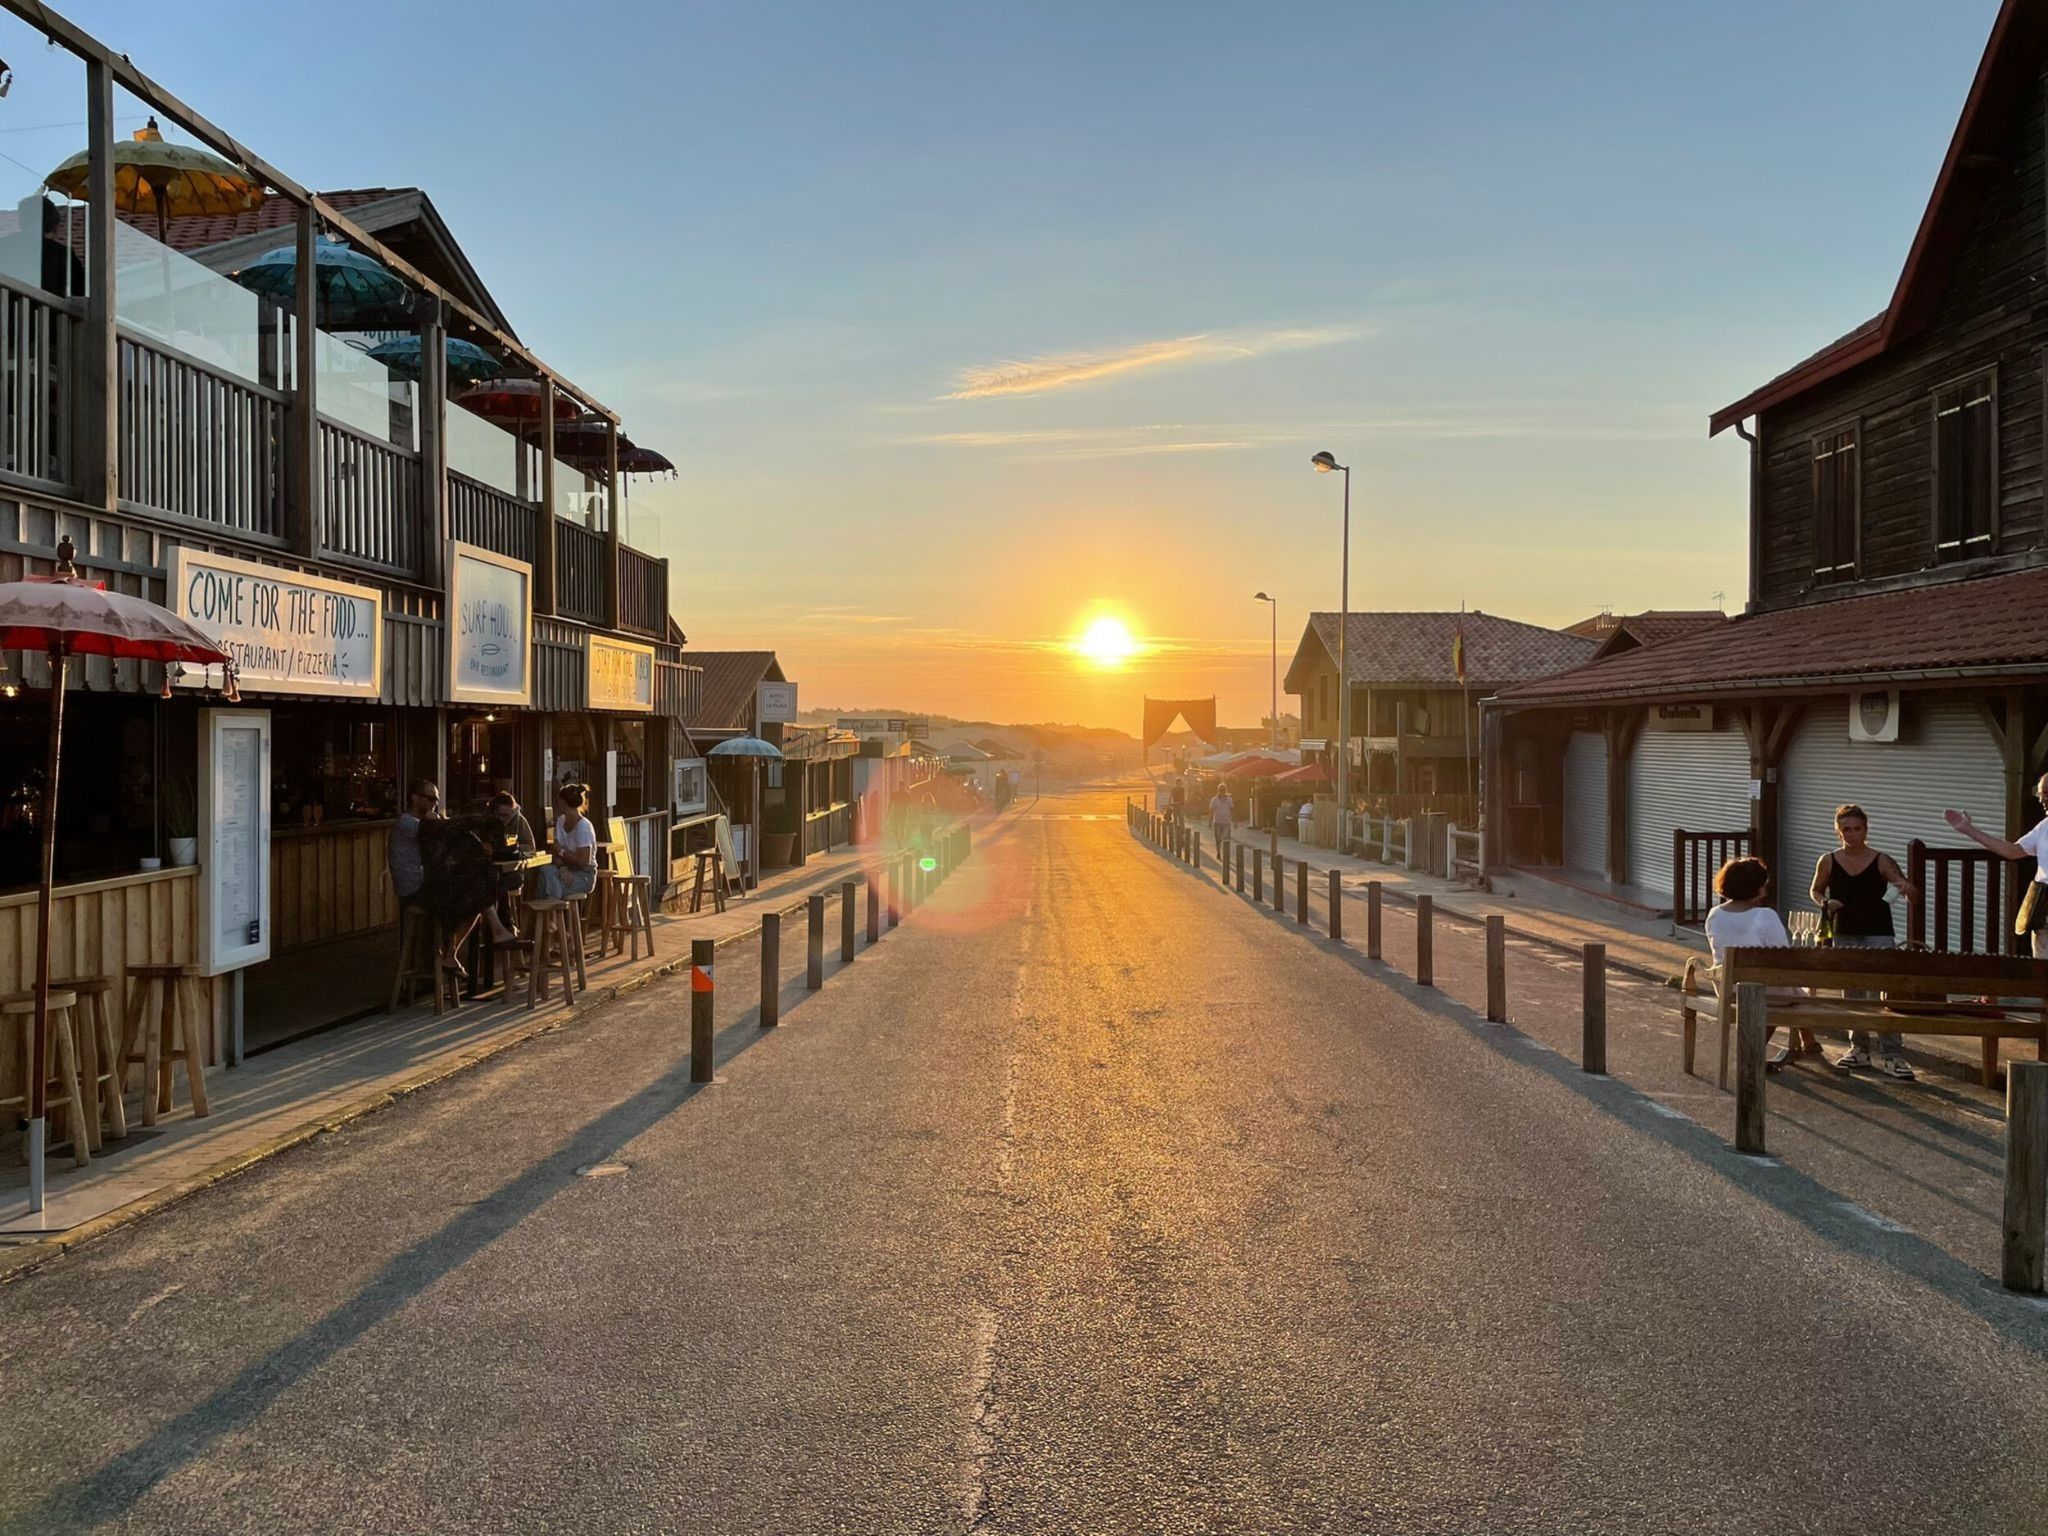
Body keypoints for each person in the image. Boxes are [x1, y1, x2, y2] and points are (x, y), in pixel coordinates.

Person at [1811, 803, 1919, 1079]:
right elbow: (1815, 890)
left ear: (1865, 830)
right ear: (1838, 831)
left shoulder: (1881, 859)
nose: (1852, 834)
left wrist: (1906, 889)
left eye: (1857, 829)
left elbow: (1908, 889)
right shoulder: (1829, 860)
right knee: (1852, 991)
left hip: (1878, 930)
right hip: (1844, 929)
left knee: (1885, 991)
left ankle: (1892, 1053)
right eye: (1846, 829)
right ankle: (1858, 1048)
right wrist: (1826, 903)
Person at [1702, 855, 1797, 1072]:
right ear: (1757, 887)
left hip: (1728, 986)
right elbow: (1782, 955)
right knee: (1796, 994)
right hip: (1763, 989)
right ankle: (1753, 1051)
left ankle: (1807, 1043)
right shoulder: (1765, 916)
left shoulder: (1714, 914)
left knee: (1792, 991)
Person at [1946, 774, 2048, 956]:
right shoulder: (2045, 826)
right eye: (2040, 794)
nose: (2042, 800)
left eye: (2046, 794)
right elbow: (2012, 851)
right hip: (2044, 913)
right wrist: (1969, 830)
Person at [541, 782, 599, 901]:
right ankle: (551, 910)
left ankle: (552, 913)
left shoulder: (584, 826)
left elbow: (584, 860)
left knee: (551, 884)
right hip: (565, 867)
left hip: (584, 874)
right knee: (545, 870)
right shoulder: (561, 821)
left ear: (563, 803)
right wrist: (562, 867)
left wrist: (561, 851)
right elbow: (554, 851)